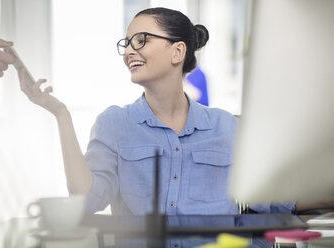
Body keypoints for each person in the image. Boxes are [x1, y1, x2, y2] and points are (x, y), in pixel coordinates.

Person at [17, 7, 333, 216]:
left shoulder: (226, 127)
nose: (129, 51)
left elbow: (278, 200)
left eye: (141, 40)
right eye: (126, 43)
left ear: (178, 51)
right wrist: (61, 114)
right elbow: (86, 200)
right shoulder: (114, 123)